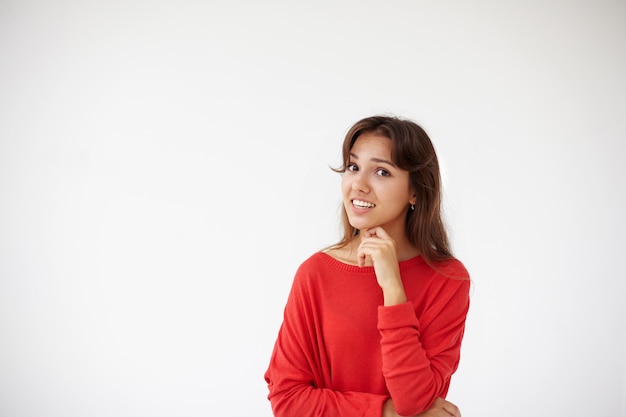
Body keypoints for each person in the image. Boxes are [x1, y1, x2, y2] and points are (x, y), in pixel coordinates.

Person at [264, 115, 471, 417]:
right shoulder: (316, 274)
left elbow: (415, 400)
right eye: (353, 167)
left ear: (415, 191)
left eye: (382, 172)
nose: (358, 185)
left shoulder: (448, 279)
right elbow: (287, 399)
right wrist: (386, 413)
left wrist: (393, 288)